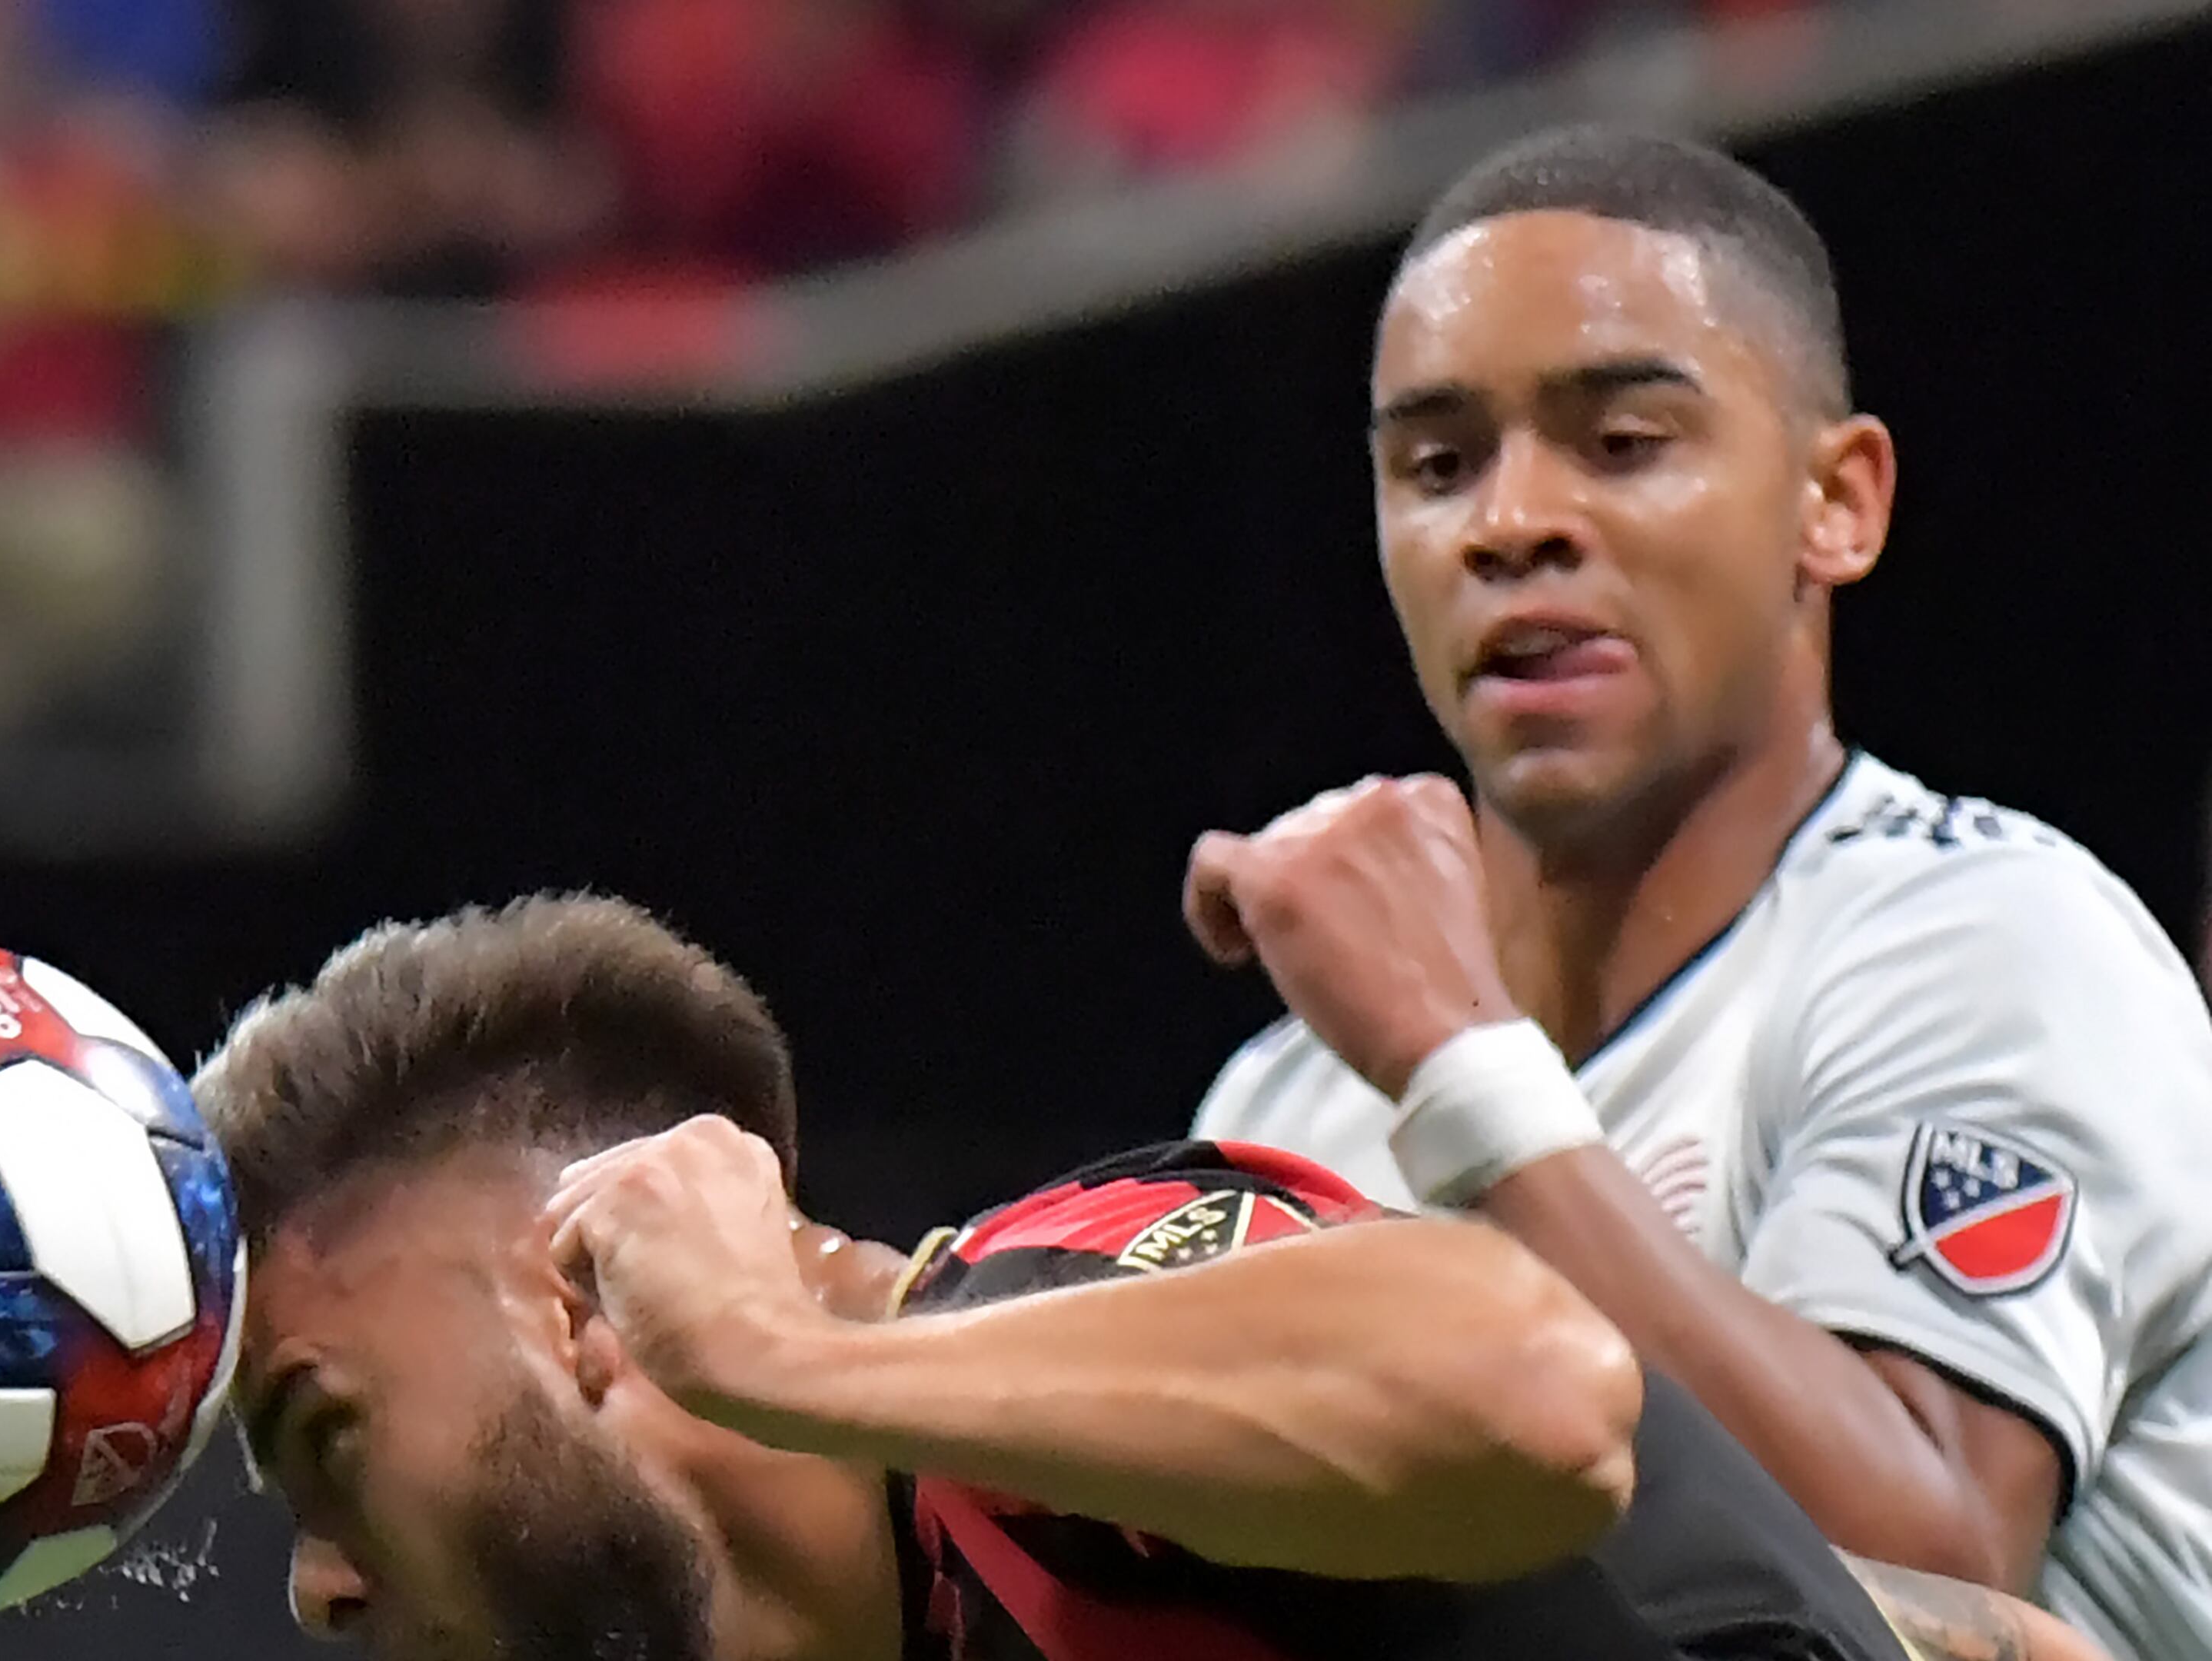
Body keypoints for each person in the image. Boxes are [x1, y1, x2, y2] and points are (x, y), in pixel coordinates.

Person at [1180, 125, 2212, 1659]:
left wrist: (1453, 1065)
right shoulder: (1283, 1105)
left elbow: (1918, 1564)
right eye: (1438, 465)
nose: (1508, 522)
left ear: (1836, 505)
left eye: (1623, 442)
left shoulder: (1992, 944)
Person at [194, 892, 2097, 1660]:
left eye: (327, 1436)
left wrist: (779, 1350)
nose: (318, 1592)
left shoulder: (1034, 1326)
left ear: (586, 1304)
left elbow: (1536, 1395)